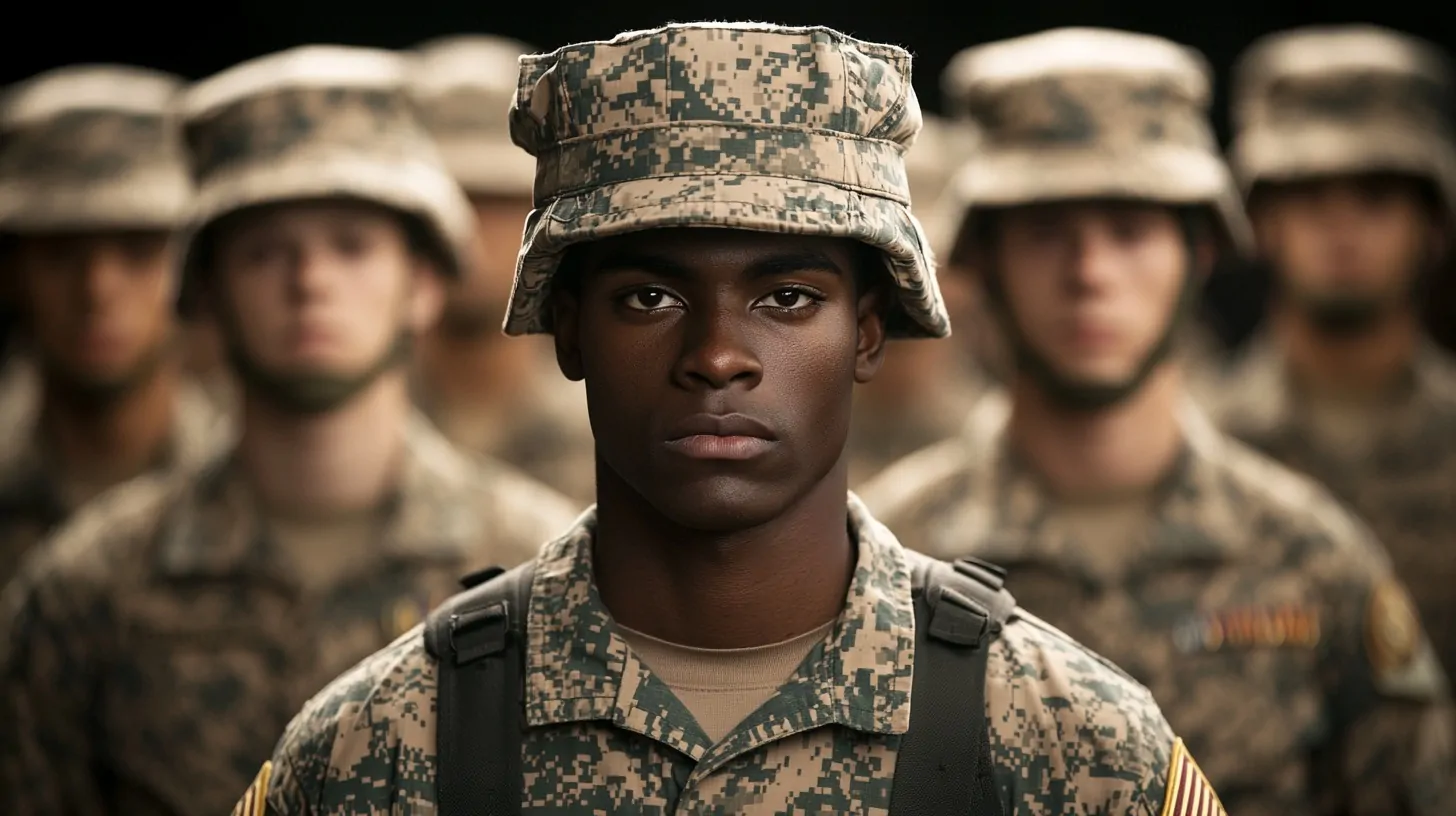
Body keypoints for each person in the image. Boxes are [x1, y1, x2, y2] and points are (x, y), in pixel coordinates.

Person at [235, 23, 1224, 816]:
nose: (715, 354)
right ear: (568, 331)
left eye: (786, 298)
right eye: (649, 299)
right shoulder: (384, 746)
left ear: (869, 335)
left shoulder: (1074, 747)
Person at [861, 27, 1453, 816]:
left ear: (1201, 253)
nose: (1090, 273)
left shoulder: (1317, 562)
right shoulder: (886, 558)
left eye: (1132, 230)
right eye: (1045, 231)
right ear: (978, 262)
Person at [0, 46, 579, 816]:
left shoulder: (541, 568)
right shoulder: (83, 597)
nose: (310, 282)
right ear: (203, 291)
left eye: (351, 245)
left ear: (425, 283)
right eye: (265, 251)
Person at [1201, 25, 1456, 680]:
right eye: (1308, 194)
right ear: (1261, 221)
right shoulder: (1198, 448)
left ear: (1432, 222)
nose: (1341, 227)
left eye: (1375, 195)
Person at [0, 65, 225, 588]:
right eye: (60, 251)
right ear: (12, 270)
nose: (97, 289)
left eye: (138, 250)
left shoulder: (260, 482)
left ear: (194, 267)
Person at [407, 34, 595, 505]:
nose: (468, 226)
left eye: (500, 200)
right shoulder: (342, 432)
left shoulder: (613, 431)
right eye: (449, 199)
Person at [845, 113, 987, 487]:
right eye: (876, 264)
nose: (899, 289)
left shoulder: (1003, 444)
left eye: (920, 265)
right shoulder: (783, 442)